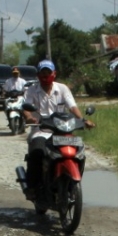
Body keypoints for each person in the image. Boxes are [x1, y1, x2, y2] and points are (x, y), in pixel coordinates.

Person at [22, 59, 95, 199]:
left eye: (48, 72)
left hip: (62, 131)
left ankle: (73, 182)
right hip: (41, 130)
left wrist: (83, 120)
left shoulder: (62, 89)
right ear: (38, 75)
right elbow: (26, 107)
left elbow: (72, 107)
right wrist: (29, 117)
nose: (45, 75)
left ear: (54, 74)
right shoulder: (31, 90)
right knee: (37, 152)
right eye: (42, 72)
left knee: (79, 152)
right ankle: (33, 186)